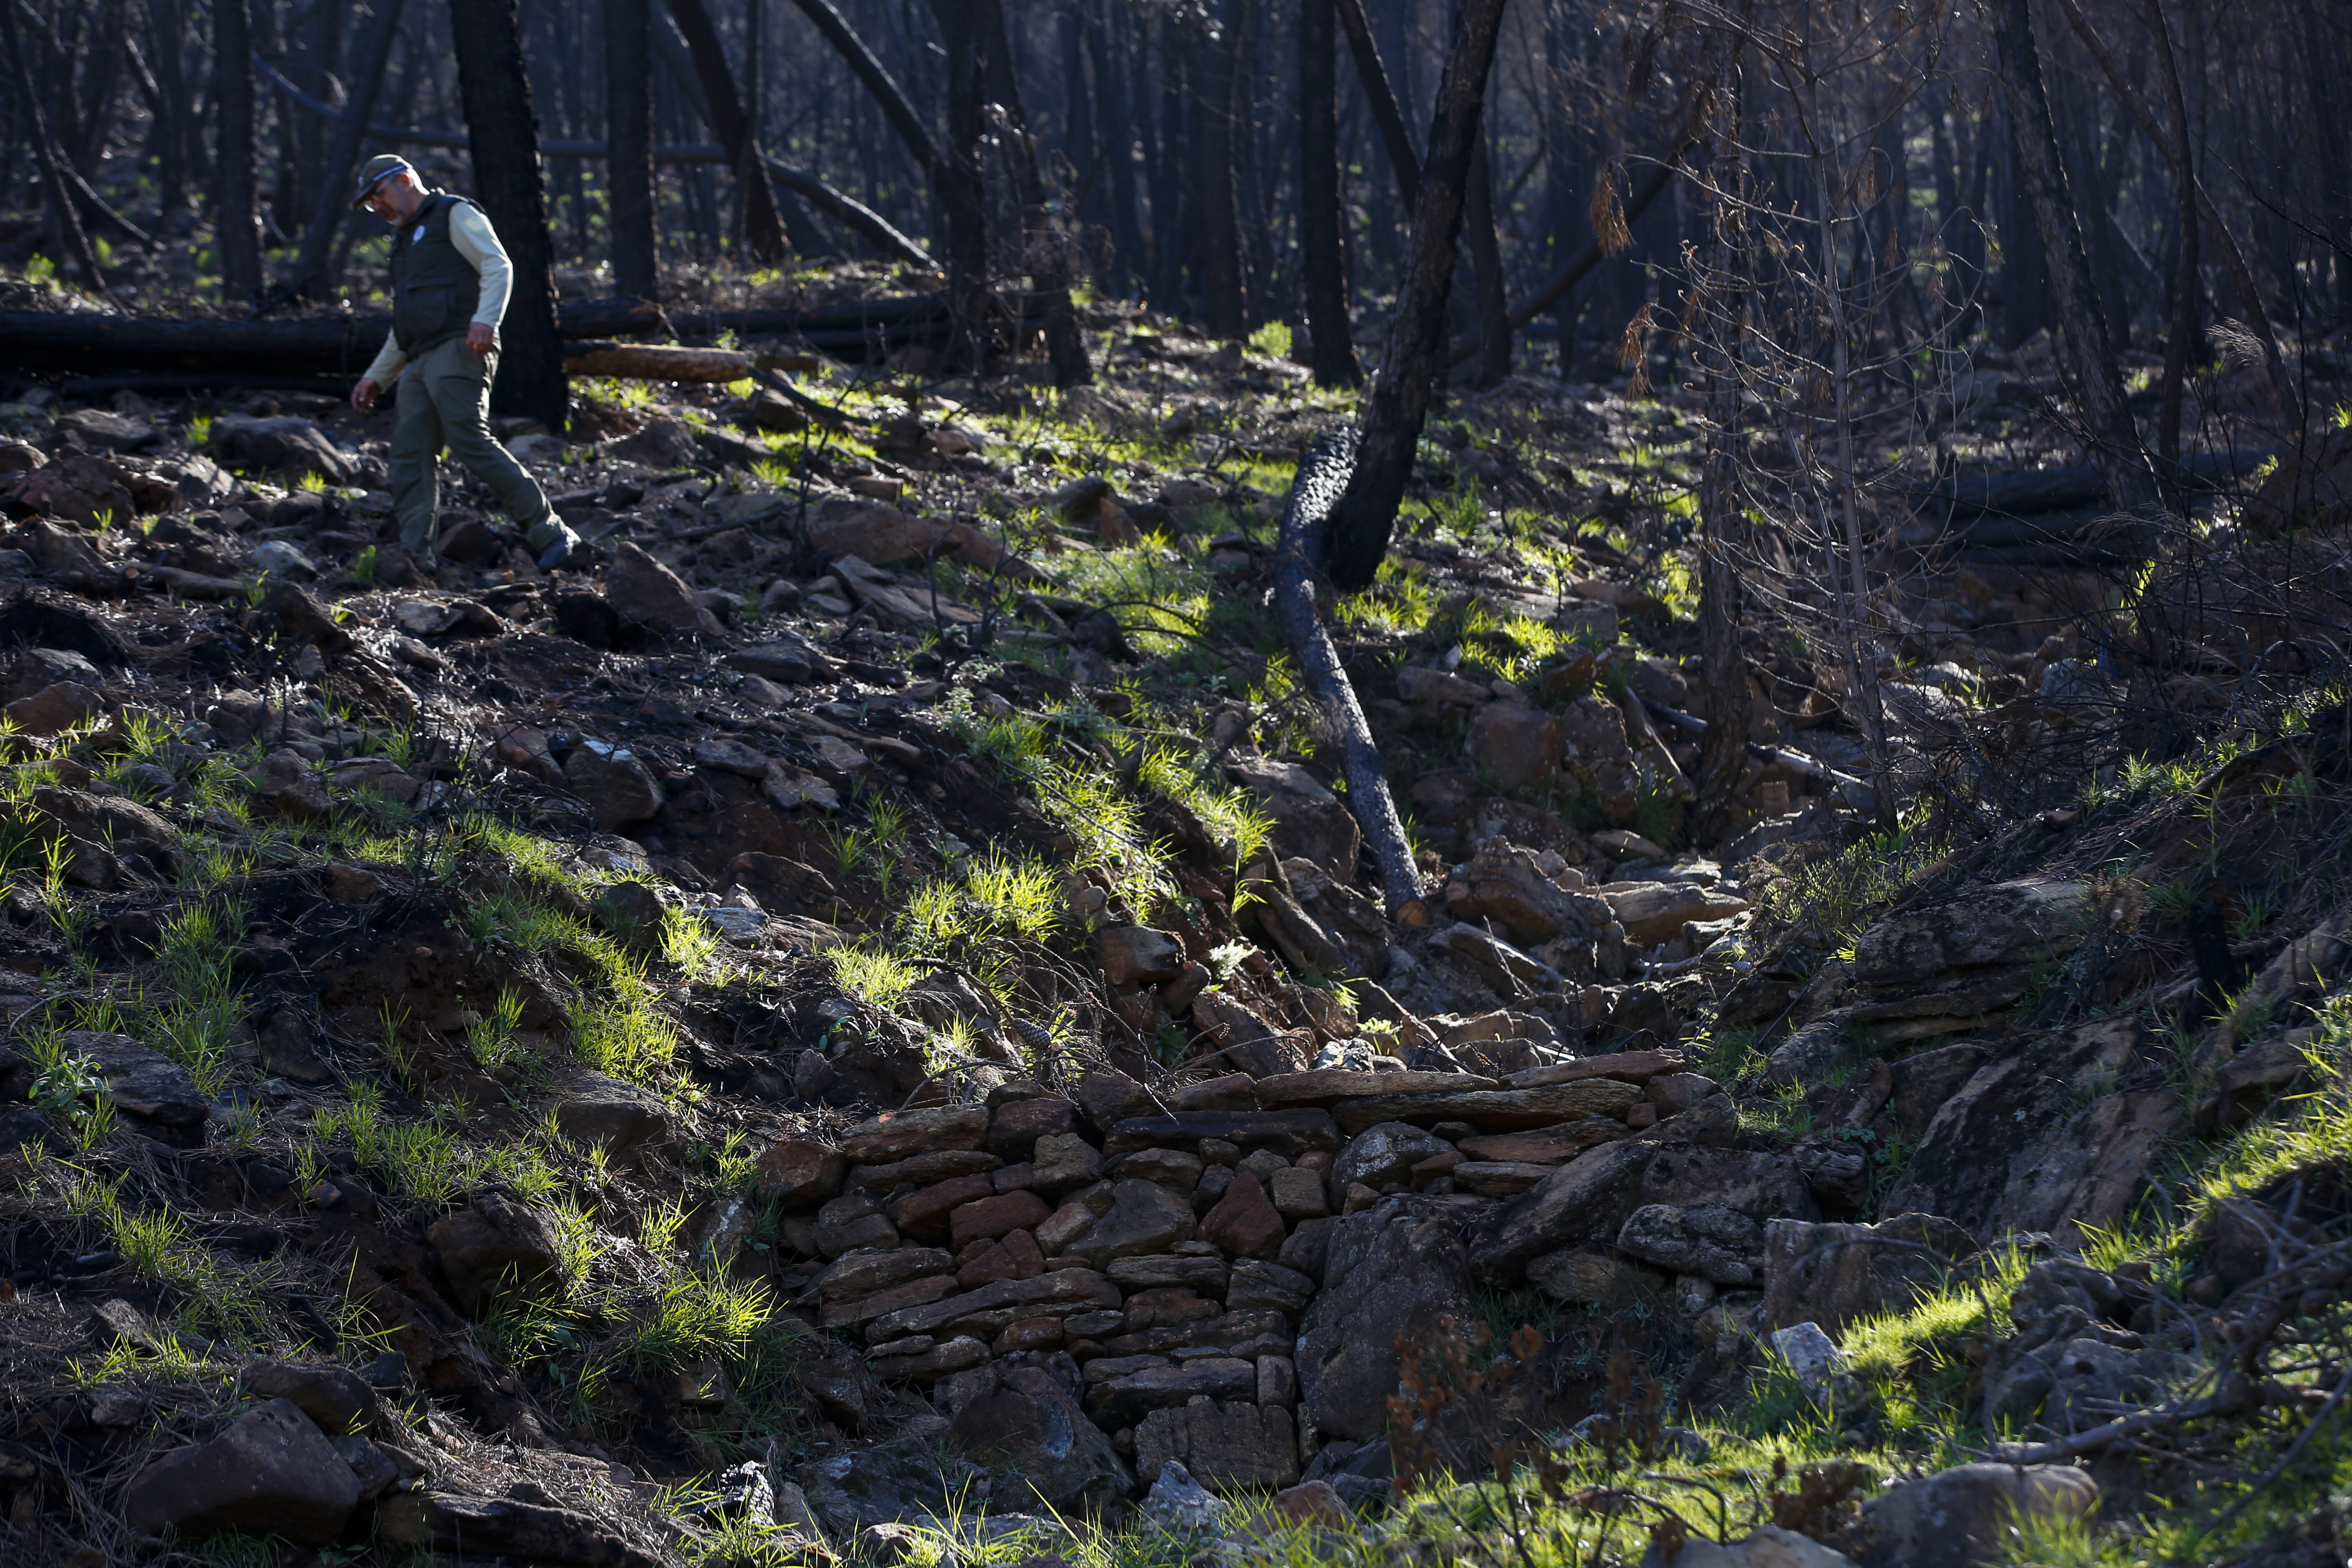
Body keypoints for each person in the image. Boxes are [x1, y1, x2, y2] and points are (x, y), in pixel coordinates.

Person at [346, 154, 579, 573]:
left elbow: (497, 263)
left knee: (467, 437)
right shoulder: (403, 241)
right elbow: (406, 323)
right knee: (409, 452)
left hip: (460, 346)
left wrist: (485, 321)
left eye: (378, 196)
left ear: (403, 180)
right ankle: (415, 559)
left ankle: (554, 533)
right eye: (369, 203)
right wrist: (376, 378)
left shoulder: (454, 213)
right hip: (418, 358)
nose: (377, 208)